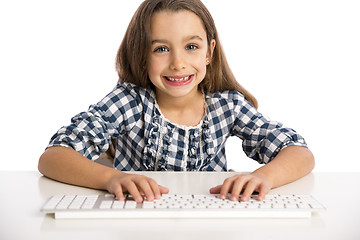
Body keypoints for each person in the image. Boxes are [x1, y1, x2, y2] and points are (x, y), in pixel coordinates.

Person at [38, 0, 314, 204]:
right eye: (161, 49)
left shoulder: (227, 106)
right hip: (136, 221)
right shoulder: (128, 102)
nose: (178, 63)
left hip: (208, 221)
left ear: (209, 52)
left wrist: (265, 177)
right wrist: (110, 178)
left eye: (191, 47)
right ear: (142, 55)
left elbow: (300, 153)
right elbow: (53, 157)